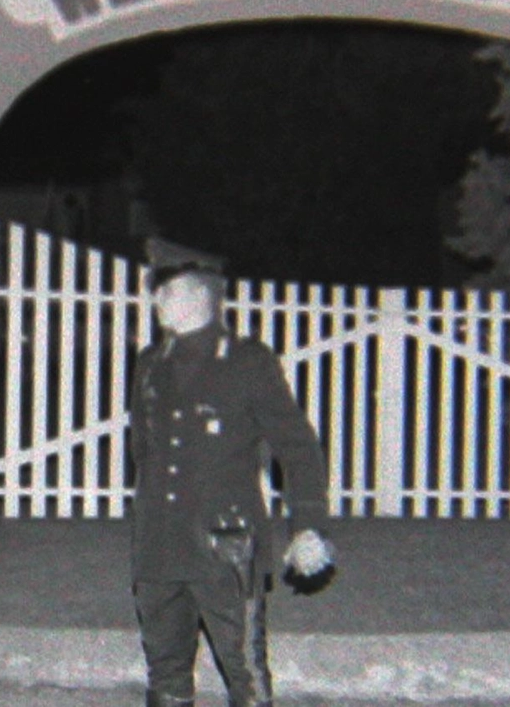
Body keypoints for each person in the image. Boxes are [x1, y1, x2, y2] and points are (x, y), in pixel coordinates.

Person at [128, 237, 337, 707]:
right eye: (158, 291)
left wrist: (308, 527)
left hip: (226, 548)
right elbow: (143, 452)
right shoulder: (149, 366)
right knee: (164, 674)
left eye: (168, 291)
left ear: (202, 296)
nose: (157, 300)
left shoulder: (247, 363)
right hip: (159, 546)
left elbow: (299, 449)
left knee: (243, 670)